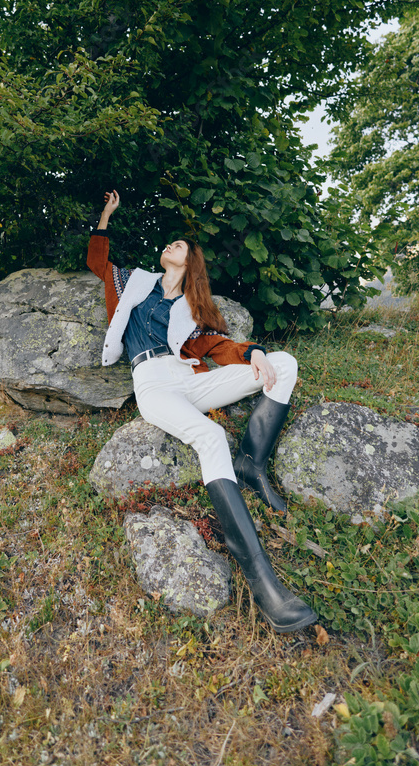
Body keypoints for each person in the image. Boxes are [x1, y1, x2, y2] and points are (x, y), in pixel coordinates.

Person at [87, 189, 317, 634]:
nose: (171, 245)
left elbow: (217, 347)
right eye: (169, 244)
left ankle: (252, 461)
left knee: (284, 364)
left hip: (191, 381)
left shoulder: (192, 310)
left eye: (179, 245)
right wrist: (106, 214)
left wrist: (253, 353)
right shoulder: (132, 284)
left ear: (189, 263)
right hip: (153, 383)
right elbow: (98, 260)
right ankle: (265, 584)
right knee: (209, 438)